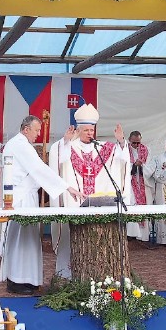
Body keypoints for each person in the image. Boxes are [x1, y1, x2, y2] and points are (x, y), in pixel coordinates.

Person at [0, 115, 81, 294]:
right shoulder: (20, 145)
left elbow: (40, 167)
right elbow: (39, 168)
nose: (38, 134)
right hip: (22, 200)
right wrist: (67, 187)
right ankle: (18, 281)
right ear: (26, 129)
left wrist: (64, 142)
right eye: (36, 130)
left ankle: (24, 279)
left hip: (24, 197)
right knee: (23, 240)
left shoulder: (19, 144)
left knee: (26, 239)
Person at [48, 103, 129, 278]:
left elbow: (122, 158)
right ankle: (67, 276)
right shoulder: (68, 146)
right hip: (75, 203)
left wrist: (121, 141)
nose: (90, 134)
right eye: (86, 131)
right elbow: (58, 160)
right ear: (78, 130)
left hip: (98, 205)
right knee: (70, 240)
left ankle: (99, 275)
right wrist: (66, 141)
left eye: (92, 131)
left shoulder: (103, 148)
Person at [127, 130, 156, 242]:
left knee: (144, 206)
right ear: (129, 140)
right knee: (132, 205)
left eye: (138, 143)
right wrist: (134, 165)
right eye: (134, 143)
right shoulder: (125, 149)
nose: (136, 145)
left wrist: (142, 166)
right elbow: (123, 166)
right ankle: (131, 235)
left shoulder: (145, 150)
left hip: (143, 182)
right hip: (131, 184)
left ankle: (143, 236)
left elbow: (151, 166)